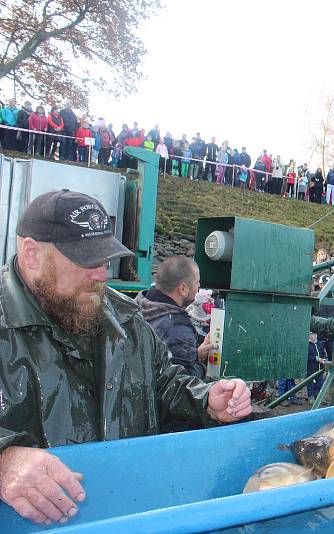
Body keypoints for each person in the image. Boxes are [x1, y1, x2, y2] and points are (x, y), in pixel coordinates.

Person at [0, 190, 251, 525]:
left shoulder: (125, 317)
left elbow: (165, 383)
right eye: (85, 260)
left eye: (103, 260)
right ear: (32, 254)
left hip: (131, 514)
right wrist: (4, 461)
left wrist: (207, 400)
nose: (101, 275)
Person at [135, 256, 213, 379]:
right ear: (183, 288)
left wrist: (196, 355)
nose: (198, 287)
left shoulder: (137, 305)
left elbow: (164, 361)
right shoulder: (178, 328)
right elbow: (184, 382)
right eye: (197, 282)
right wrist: (203, 365)